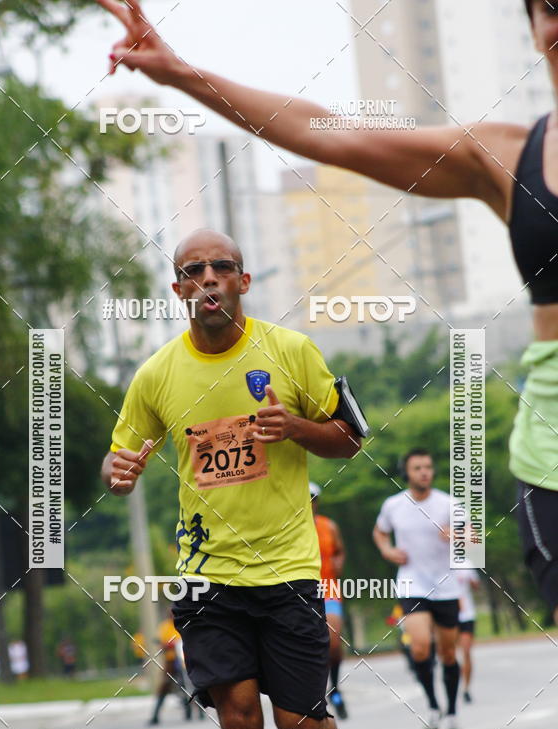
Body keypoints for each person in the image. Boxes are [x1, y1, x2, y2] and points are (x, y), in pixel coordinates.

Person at [94, 0, 558, 625]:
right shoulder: (507, 156)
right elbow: (328, 132)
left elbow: (345, 436)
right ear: (531, 27)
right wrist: (178, 73)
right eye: (550, 8)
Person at [101, 228, 364, 729]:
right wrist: (118, 469)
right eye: (194, 270)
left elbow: (351, 438)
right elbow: (121, 452)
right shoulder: (157, 374)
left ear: (244, 282)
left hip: (287, 571)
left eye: (223, 267)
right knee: (239, 718)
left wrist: (294, 429)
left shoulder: (291, 352)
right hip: (206, 574)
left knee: (299, 727)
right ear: (179, 290)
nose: (209, 278)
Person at [373, 449, 462, 729]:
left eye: (427, 467)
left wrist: (458, 536)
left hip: (446, 586)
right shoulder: (394, 505)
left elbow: (474, 537)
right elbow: (380, 532)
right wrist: (387, 550)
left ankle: (451, 712)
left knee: (448, 654)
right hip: (413, 584)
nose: (424, 472)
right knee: (421, 647)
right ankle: (433, 706)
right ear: (407, 474)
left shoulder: (448, 504)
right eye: (417, 468)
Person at [309, 482, 348, 719]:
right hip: (301, 592)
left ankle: (335, 688)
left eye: (312, 498)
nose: (308, 502)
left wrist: (338, 563)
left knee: (333, 643)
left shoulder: (328, 526)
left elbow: (339, 550)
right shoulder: (289, 528)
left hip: (329, 588)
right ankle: (315, 694)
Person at [148, 614, 203, 724]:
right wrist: (169, 645)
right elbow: (162, 643)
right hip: (171, 661)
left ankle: (200, 711)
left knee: (194, 682)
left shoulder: (184, 623)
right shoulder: (165, 627)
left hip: (185, 659)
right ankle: (155, 715)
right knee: (164, 685)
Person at [457, 565, 481, 703]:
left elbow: (476, 586)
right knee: (448, 653)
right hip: (447, 613)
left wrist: (471, 581)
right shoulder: (436, 557)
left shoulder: (465, 561)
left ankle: (466, 688)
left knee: (466, 651)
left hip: (466, 614)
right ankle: (454, 683)